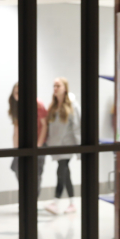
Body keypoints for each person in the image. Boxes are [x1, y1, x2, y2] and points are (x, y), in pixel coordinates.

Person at [44, 76, 81, 215]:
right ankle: (68, 203)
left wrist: (79, 149)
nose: (55, 88)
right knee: (64, 173)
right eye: (54, 86)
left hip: (67, 145)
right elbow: (49, 128)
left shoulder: (73, 107)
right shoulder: (52, 107)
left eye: (58, 86)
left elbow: (77, 128)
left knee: (62, 170)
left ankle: (59, 202)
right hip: (55, 146)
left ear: (65, 88)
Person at [8, 82, 48, 196]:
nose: (19, 95)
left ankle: (33, 201)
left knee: (36, 174)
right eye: (16, 92)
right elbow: (16, 129)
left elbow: (44, 125)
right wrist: (16, 149)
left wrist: (39, 145)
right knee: (17, 169)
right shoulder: (16, 106)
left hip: (38, 144)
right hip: (22, 145)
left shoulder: (37, 103)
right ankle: (26, 196)